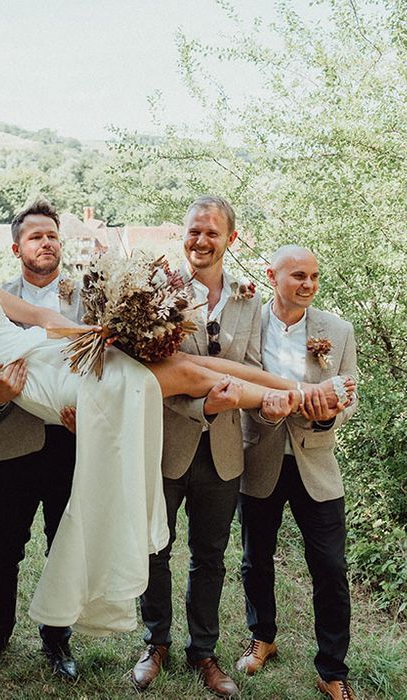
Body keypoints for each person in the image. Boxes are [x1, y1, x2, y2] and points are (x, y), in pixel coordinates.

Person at [0, 234, 351, 641]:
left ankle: (299, 390)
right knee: (180, 375)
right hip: (39, 385)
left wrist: (96, 335)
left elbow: (42, 320)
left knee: (183, 365)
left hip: (56, 351)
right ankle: (293, 396)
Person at [133, 195, 261, 697]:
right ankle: (156, 642)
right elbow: (150, 377)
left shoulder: (251, 299)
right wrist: (198, 407)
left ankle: (204, 652)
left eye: (212, 232)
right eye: (194, 231)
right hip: (167, 444)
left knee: (210, 555)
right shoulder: (155, 295)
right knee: (155, 549)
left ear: (231, 238)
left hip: (226, 449)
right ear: (182, 235)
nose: (201, 241)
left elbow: (250, 367)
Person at [235, 246, 358, 700]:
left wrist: (329, 414)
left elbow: (351, 394)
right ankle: (262, 636)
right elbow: (241, 384)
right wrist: (266, 412)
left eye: (314, 277)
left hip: (316, 463)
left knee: (329, 565)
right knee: (255, 559)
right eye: (298, 276)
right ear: (272, 276)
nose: (308, 284)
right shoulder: (248, 324)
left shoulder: (338, 331)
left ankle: (331, 667)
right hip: (260, 459)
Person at [0, 200, 86, 678]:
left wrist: (97, 415)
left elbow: (119, 369)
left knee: (65, 546)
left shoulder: (91, 298)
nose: (46, 243)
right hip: (12, 445)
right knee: (1, 547)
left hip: (75, 446)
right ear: (17, 248)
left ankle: (57, 639)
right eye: (35, 236)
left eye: (52, 235)